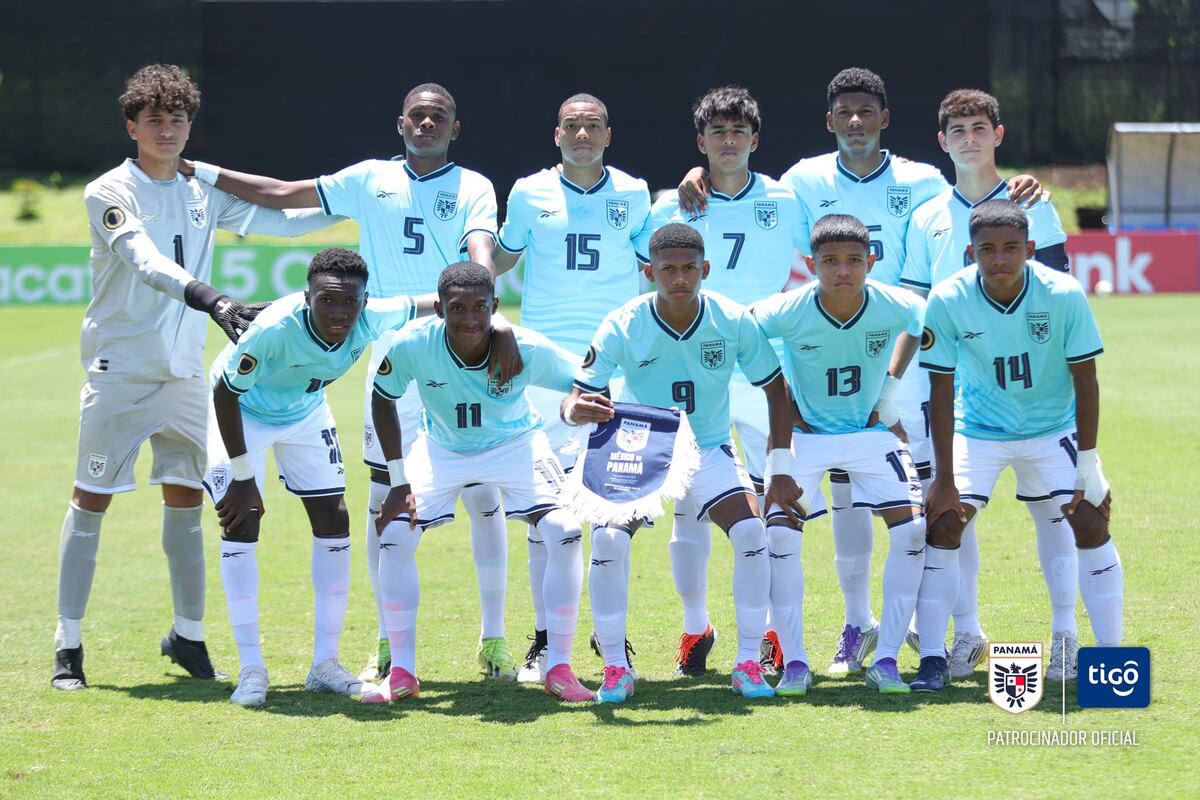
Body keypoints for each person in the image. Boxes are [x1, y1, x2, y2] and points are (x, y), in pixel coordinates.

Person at [677, 68, 1044, 675]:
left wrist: (1019, 184)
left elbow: (974, 205)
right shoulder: (802, 181)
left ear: (885, 118)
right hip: (830, 356)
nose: (855, 122)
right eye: (843, 112)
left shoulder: (923, 181)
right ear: (828, 121)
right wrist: (698, 176)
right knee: (846, 497)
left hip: (906, 357)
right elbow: (740, 189)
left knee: (939, 494)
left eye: (866, 111)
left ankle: (961, 627)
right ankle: (858, 624)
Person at [185, 83, 523, 683]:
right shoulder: (370, 178)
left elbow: (480, 252)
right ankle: (388, 641)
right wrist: (204, 172)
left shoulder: (474, 186)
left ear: (455, 128)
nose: (427, 123)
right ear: (400, 124)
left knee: (482, 491)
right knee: (382, 497)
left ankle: (493, 637)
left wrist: (486, 313)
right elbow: (284, 194)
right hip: (392, 357)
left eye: (438, 116)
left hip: (458, 350)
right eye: (417, 115)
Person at [54, 64, 335, 691]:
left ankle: (188, 636)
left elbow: (283, 221)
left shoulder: (200, 190)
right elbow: (144, 260)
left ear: (189, 126)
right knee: (90, 501)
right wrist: (215, 300)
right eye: (154, 120)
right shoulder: (108, 191)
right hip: (119, 374)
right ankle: (67, 644)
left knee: (187, 502)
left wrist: (354, 201)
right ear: (132, 126)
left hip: (184, 377)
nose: (167, 130)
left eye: (177, 119)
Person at [562, 223, 804, 703]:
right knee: (607, 539)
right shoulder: (623, 323)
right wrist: (574, 410)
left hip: (709, 446)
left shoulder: (731, 319)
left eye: (689, 268)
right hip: (641, 448)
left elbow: (777, 390)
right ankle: (615, 668)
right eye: (668, 269)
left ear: (705, 269)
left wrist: (778, 466)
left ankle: (748, 662)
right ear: (649, 272)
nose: (679, 278)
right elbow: (576, 397)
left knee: (751, 533)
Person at [207, 247, 433, 706]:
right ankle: (251, 669)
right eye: (326, 300)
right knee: (241, 519)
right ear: (306, 296)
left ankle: (325, 664)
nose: (338, 313)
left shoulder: (373, 317)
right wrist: (244, 477)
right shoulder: (273, 329)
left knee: (334, 517)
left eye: (350, 302)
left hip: (304, 412)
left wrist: (495, 322)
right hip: (240, 411)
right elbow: (225, 394)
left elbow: (439, 302)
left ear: (365, 301)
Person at [914, 200, 1123, 692]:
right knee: (943, 523)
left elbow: (1087, 381)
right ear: (971, 253)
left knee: (1090, 519)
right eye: (987, 250)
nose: (1000, 259)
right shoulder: (948, 297)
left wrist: (1087, 466)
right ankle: (933, 657)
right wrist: (943, 478)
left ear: (1030, 249)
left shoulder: (1063, 293)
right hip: (979, 429)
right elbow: (940, 390)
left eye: (1011, 248)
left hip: (1053, 429)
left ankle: (1102, 653)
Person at [901, 89, 1075, 680]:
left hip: (1033, 394)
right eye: (958, 130)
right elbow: (915, 308)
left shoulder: (1032, 204)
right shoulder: (925, 216)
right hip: (954, 392)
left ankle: (1066, 638)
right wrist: (894, 383)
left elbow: (1060, 296)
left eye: (980, 128)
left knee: (1055, 513)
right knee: (949, 511)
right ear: (942, 141)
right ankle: (967, 632)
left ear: (998, 135)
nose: (969, 139)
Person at [364, 262, 595, 703]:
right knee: (394, 535)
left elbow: (585, 381)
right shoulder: (413, 343)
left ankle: (560, 668)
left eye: (479, 308)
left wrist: (572, 408)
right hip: (441, 449)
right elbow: (382, 397)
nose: (469, 319)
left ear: (494, 306)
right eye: (457, 309)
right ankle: (402, 673)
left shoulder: (525, 346)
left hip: (516, 444)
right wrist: (397, 481)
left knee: (565, 532)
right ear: (439, 309)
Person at [635, 86, 803, 677]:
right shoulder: (671, 205)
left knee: (774, 496)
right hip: (689, 368)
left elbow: (837, 248)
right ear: (700, 141)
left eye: (738, 132)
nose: (728, 142)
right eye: (717, 132)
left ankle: (774, 631)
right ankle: (695, 626)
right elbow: (644, 283)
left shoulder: (787, 199)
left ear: (755, 139)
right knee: (689, 504)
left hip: (761, 365)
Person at [493, 93, 651, 683]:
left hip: (614, 369)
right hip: (542, 374)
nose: (582, 134)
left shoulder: (634, 193)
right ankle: (543, 640)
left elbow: (659, 259)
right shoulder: (528, 192)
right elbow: (498, 261)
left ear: (609, 134)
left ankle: (612, 641)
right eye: (572, 126)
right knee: (546, 518)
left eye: (593, 126)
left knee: (614, 515)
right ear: (556, 134)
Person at [751, 214, 927, 695]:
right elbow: (746, 334)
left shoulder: (894, 303)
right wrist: (782, 402)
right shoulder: (787, 309)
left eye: (853, 260)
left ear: (871, 262)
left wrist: (888, 394)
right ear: (811, 265)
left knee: (913, 531)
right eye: (830, 261)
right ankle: (795, 663)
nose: (843, 270)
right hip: (805, 437)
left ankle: (886, 659)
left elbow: (920, 323)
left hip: (870, 432)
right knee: (779, 538)